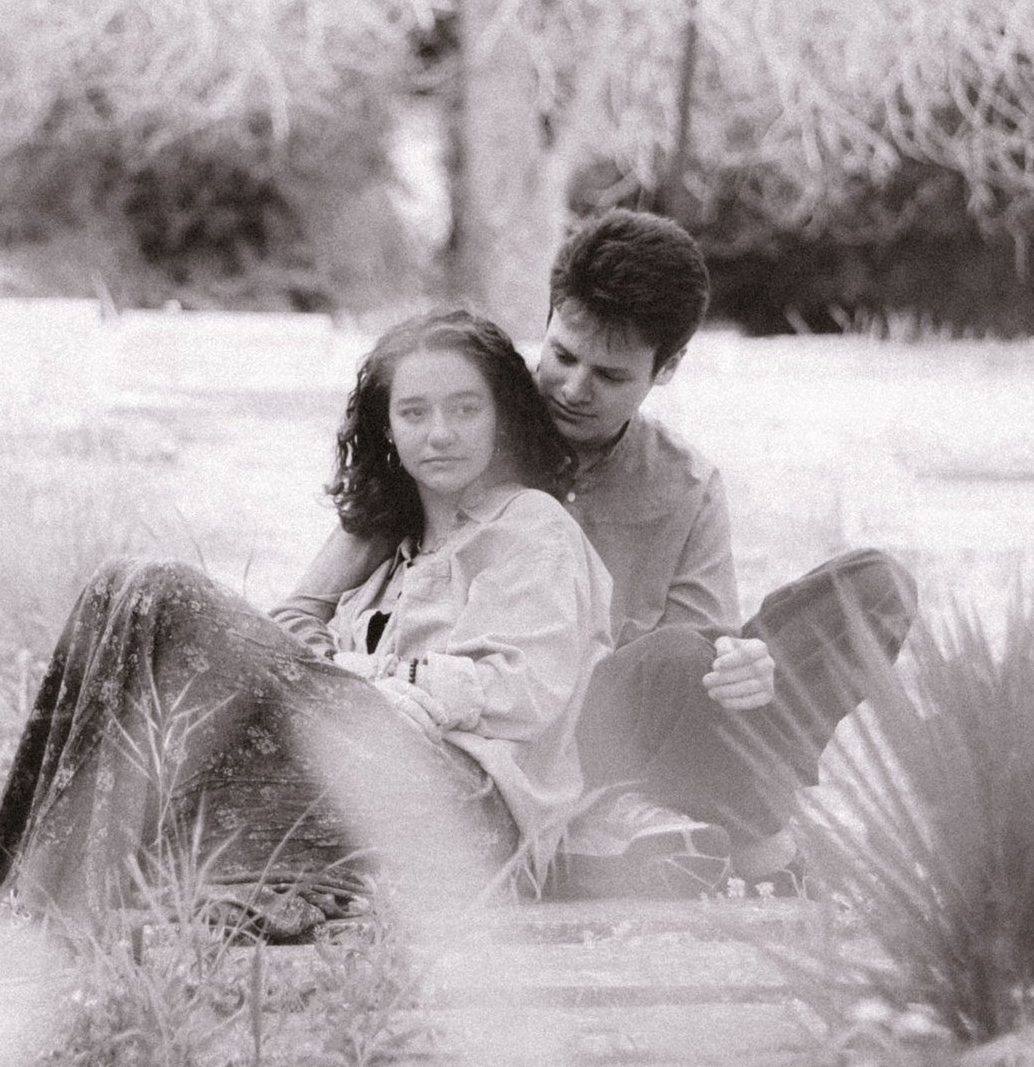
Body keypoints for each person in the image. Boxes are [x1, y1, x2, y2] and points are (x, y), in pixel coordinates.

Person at [0, 309, 611, 960]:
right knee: (117, 589)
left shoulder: (529, 525)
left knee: (158, 590)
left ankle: (36, 930)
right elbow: (294, 638)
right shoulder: (387, 548)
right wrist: (350, 650)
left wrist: (375, 681)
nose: (441, 432)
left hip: (466, 813)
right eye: (414, 412)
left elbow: (524, 687)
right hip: (366, 772)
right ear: (387, 427)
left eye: (466, 409)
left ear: (503, 416)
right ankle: (15, 910)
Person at [282, 210, 916, 893]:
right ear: (548, 323)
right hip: (508, 727)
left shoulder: (685, 485)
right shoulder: (459, 429)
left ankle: (722, 811)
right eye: (562, 355)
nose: (574, 388)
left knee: (875, 588)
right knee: (680, 665)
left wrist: (745, 668)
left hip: (636, 725)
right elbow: (294, 616)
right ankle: (760, 837)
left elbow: (697, 662)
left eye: (611, 375)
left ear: (666, 368)